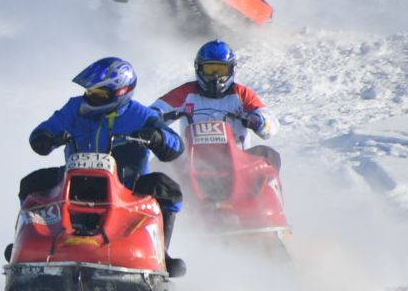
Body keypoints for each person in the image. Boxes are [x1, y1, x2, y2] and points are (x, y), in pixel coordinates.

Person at [21, 57, 186, 275]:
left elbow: (176, 145)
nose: (90, 99)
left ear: (121, 92)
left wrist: (157, 137)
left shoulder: (141, 115)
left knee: (167, 190)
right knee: (31, 184)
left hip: (127, 185)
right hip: (75, 179)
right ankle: (26, 244)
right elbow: (45, 129)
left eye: (98, 95)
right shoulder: (74, 108)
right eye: (89, 93)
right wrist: (45, 137)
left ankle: (161, 254)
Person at [151, 40, 279, 169]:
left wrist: (258, 121)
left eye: (221, 70)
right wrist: (155, 121)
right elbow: (153, 112)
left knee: (269, 155)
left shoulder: (242, 94)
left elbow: (271, 126)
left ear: (231, 69)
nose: (215, 76)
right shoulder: (185, 92)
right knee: (157, 164)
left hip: (239, 165)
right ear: (199, 68)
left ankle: (266, 189)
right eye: (210, 69)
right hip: (192, 163)